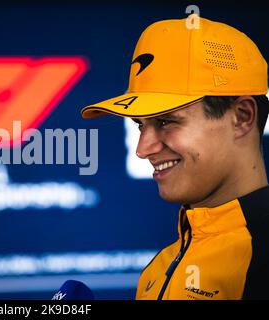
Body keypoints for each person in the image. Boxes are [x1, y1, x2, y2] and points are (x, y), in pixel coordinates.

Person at [81, 16, 269, 300]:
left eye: (167, 121)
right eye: (140, 125)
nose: (142, 149)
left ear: (242, 117)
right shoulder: (158, 270)